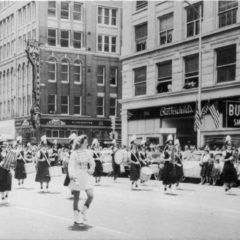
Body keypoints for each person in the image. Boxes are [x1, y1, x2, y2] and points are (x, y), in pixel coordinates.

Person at [68, 135, 95, 225]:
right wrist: (73, 175)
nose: (87, 143)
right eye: (86, 142)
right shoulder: (74, 153)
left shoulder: (89, 152)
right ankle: (76, 217)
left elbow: (92, 163)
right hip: (77, 175)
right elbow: (71, 165)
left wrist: (91, 169)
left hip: (86, 175)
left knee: (90, 196)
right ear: (81, 143)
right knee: (76, 197)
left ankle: (84, 210)